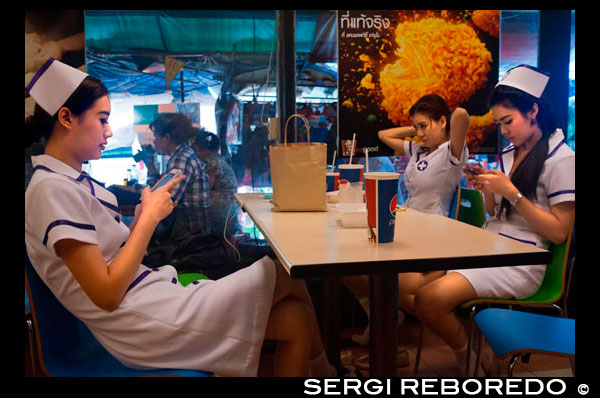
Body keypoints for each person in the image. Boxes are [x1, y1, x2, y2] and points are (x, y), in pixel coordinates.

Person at [24, 58, 354, 377]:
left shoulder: (66, 184)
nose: (109, 131)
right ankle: (328, 375)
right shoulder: (51, 189)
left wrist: (139, 222)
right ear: (66, 118)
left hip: (150, 299)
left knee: (295, 319)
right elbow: (107, 294)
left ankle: (325, 374)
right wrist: (149, 220)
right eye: (102, 118)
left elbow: (112, 263)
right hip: (137, 321)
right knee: (286, 275)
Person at [397, 64, 575, 376]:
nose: (504, 130)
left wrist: (512, 193)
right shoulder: (510, 152)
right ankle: (476, 353)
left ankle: (474, 358)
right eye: (499, 124)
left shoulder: (562, 160)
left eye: (508, 121)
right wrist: (487, 188)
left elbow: (559, 233)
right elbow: (494, 213)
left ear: (533, 111)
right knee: (403, 285)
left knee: (428, 299)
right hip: (490, 245)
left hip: (524, 259)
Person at [342, 94, 470, 347]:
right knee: (346, 266)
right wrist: (416, 128)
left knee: (372, 275)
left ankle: (426, 321)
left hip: (433, 237)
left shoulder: (452, 153)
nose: (420, 133)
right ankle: (382, 317)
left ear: (442, 121)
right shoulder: (420, 150)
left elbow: (461, 115)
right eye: (417, 127)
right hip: (409, 229)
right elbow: (384, 135)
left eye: (424, 126)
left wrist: (437, 123)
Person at [147, 112, 211, 236]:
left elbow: (165, 199)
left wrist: (140, 192)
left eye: (156, 137)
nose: (154, 142)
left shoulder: (181, 159)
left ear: (166, 138)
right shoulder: (181, 155)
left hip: (189, 239)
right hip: (189, 233)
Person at [191, 128, 241, 238]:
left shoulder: (210, 162)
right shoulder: (217, 159)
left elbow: (206, 188)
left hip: (220, 212)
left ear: (198, 148)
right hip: (227, 211)